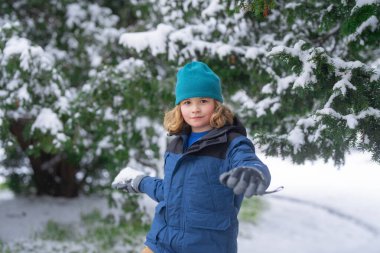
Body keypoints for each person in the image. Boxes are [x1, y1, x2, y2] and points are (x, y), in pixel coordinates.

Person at [113, 61, 271, 253]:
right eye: (187, 102)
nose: (195, 109)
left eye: (203, 101)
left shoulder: (231, 142)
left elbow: (248, 160)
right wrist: (140, 181)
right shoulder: (176, 144)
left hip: (206, 245)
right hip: (162, 242)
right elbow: (174, 193)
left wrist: (253, 172)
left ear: (216, 104)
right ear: (179, 106)